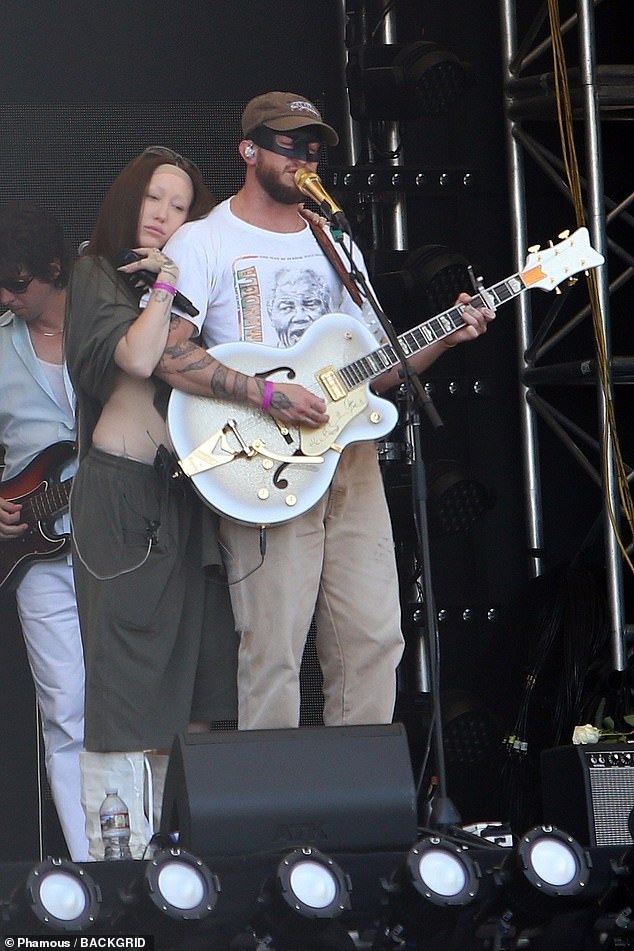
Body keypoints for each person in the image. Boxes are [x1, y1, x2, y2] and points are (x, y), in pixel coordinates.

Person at [157, 91, 495, 731]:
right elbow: (169, 358)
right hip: (263, 461)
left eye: (314, 146)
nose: (305, 156)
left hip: (349, 458)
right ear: (249, 150)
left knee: (375, 639)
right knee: (274, 647)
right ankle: (277, 823)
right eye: (289, 143)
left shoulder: (333, 238)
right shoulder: (202, 241)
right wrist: (266, 393)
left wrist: (446, 336)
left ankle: (358, 810)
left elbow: (379, 369)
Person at [64, 147, 234, 858]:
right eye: (154, 199)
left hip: (193, 496)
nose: (165, 216)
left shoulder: (200, 275)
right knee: (127, 686)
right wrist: (163, 286)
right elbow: (135, 359)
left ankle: (186, 860)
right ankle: (118, 868)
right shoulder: (97, 269)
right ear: (128, 199)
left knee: (204, 681)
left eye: (181, 205)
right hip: (124, 500)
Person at [0, 200, 89, 861]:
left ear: (56, 270)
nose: (7, 295)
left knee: (132, 701)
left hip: (120, 541)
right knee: (65, 709)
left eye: (18, 283)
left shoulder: (106, 322)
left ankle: (150, 860)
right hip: (36, 556)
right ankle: (95, 867)